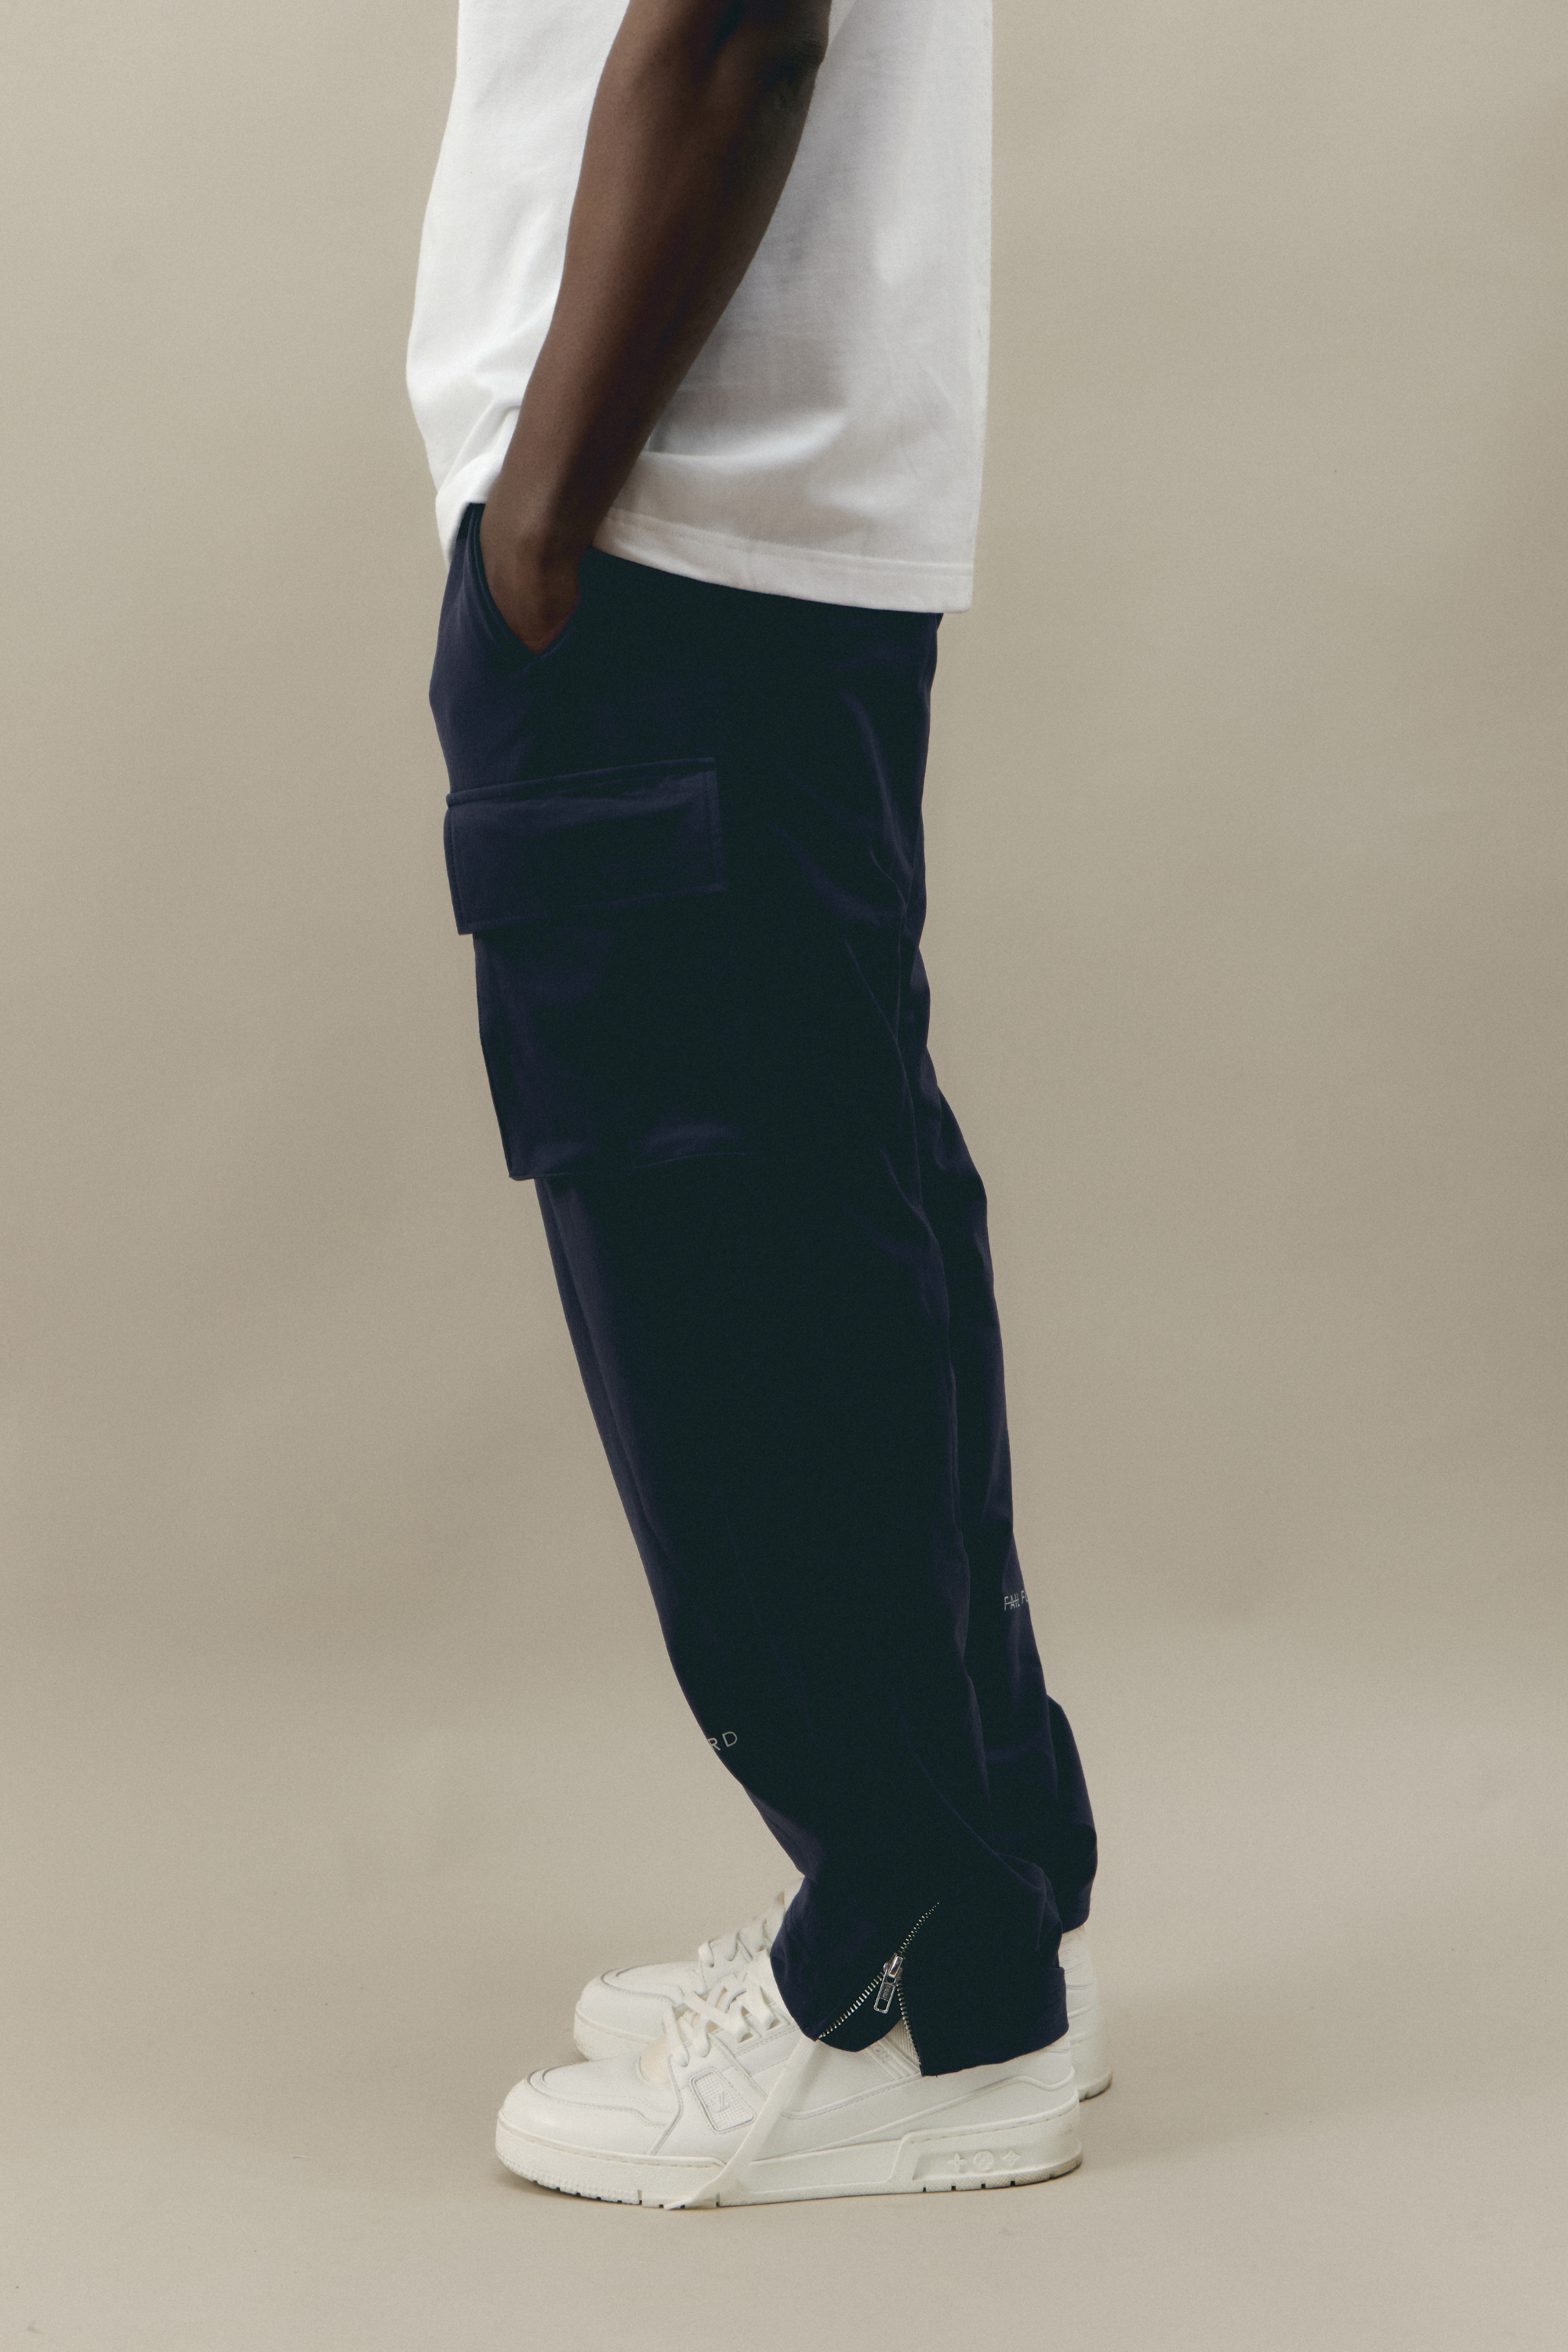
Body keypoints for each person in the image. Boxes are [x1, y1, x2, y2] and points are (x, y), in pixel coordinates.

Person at [407, 0, 1106, 2208]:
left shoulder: (614, 522)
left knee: (735, 1242)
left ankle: (912, 1972)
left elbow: (728, 26)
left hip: (666, 518)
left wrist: (541, 518)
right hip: (753, 511)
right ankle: (987, 1905)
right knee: (834, 1188)